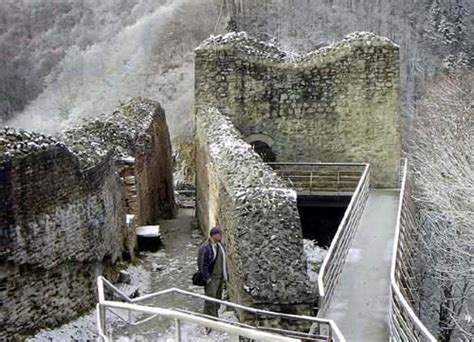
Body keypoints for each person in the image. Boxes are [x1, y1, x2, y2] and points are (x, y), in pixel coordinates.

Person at [197, 226, 228, 318]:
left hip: (219, 277)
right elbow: (202, 264)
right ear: (214, 235)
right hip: (212, 278)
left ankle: (215, 316)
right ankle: (209, 321)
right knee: (210, 300)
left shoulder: (219, 245)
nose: (221, 236)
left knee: (217, 299)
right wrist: (207, 278)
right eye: (219, 234)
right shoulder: (206, 248)